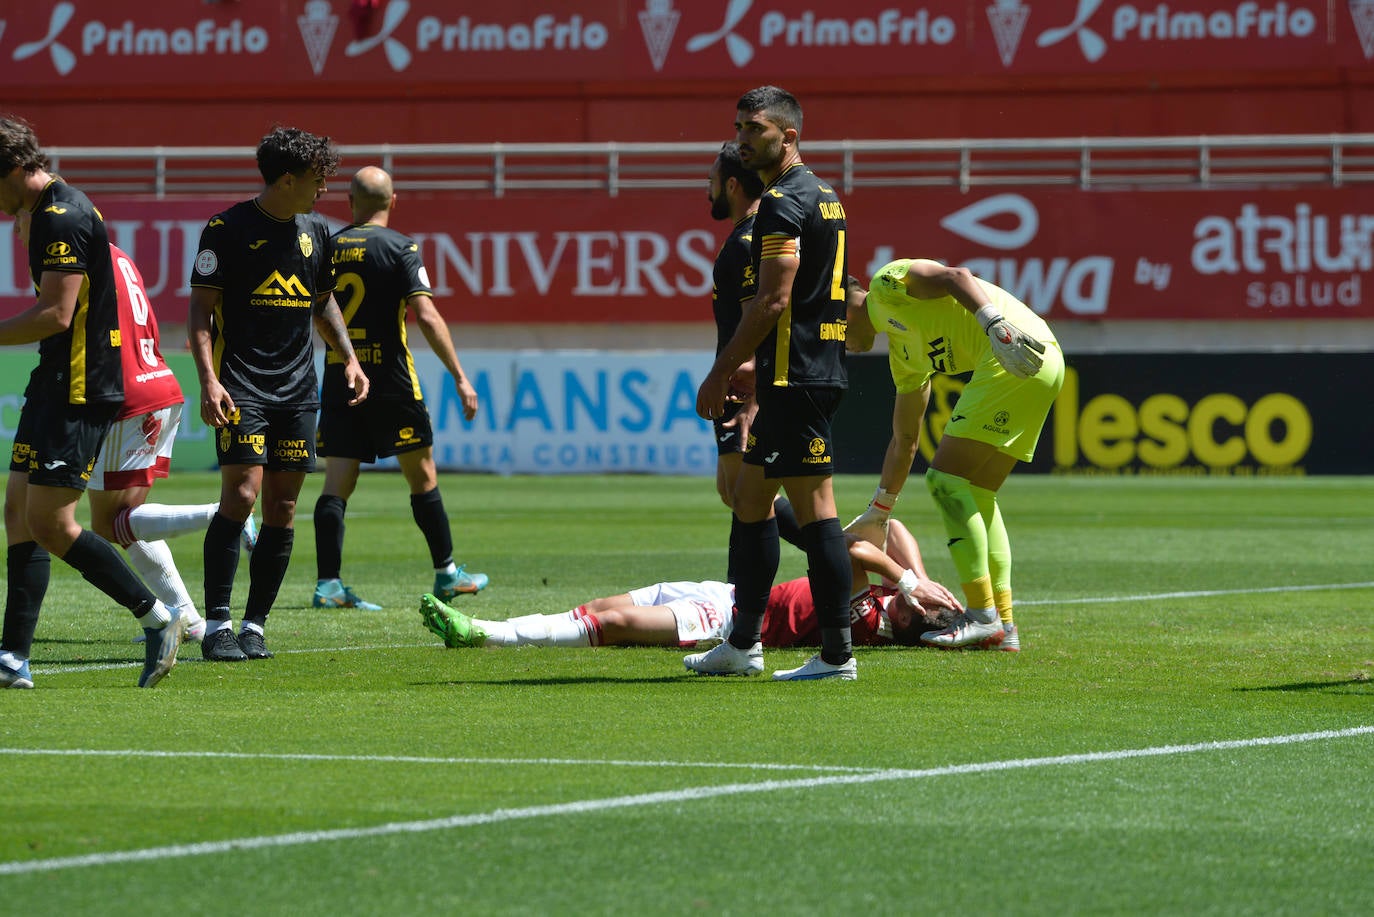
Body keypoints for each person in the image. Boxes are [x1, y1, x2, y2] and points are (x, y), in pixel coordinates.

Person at [12, 207, 258, 645]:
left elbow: (65, 323)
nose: (18, 227)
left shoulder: (71, 261)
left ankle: (228, 517)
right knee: (124, 523)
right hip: (158, 384)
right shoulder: (118, 256)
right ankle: (191, 620)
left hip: (120, 394)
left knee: (107, 525)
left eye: (23, 219)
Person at [0, 115, 181, 689]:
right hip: (56, 378)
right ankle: (13, 658)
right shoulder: (54, 209)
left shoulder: (61, 215)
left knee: (52, 524)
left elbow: (57, 313)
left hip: (78, 388)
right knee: (18, 514)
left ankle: (155, 617)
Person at [188, 125, 369, 663]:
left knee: (283, 507)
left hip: (298, 391)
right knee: (240, 495)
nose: (324, 191)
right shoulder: (226, 229)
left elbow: (323, 301)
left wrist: (350, 358)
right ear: (286, 179)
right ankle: (217, 623)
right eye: (317, 181)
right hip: (241, 384)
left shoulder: (318, 231)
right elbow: (199, 311)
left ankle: (254, 625)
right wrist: (207, 378)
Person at [691, 86, 855, 681]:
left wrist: (722, 372)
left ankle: (837, 654)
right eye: (738, 126)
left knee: (815, 510)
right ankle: (743, 642)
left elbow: (773, 301)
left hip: (793, 375)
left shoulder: (785, 202)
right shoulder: (826, 197)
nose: (742, 138)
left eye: (753, 129)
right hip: (807, 370)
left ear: (788, 136)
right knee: (751, 501)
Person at [845, 258, 1064, 652]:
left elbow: (955, 277)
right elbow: (905, 438)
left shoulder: (885, 284)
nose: (834, 343)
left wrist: (994, 323)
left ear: (841, 309)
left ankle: (981, 616)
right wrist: (880, 509)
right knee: (978, 493)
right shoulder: (903, 355)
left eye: (827, 331)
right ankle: (1004, 625)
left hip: (1015, 348)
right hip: (1039, 360)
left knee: (944, 480)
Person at [312, 166, 487, 612]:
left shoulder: (329, 247)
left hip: (341, 375)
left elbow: (314, 311)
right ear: (393, 201)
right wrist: (460, 376)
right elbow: (425, 316)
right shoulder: (401, 246)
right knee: (422, 475)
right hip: (390, 379)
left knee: (336, 482)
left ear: (350, 203)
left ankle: (328, 584)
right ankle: (448, 574)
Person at [419, 519, 962, 654]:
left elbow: (857, 548)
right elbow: (888, 528)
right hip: (722, 591)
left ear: (915, 621)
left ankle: (484, 633)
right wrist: (923, 579)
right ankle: (504, 630)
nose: (917, 600)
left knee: (613, 625)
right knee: (596, 606)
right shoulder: (885, 594)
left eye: (921, 606)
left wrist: (911, 581)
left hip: (727, 622)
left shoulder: (867, 616)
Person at [705, 141, 809, 580]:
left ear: (730, 184)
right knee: (734, 490)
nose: (706, 190)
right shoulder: (748, 238)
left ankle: (851, 552)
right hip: (741, 381)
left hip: (746, 384)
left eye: (710, 181)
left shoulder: (747, 242)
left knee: (750, 496)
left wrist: (749, 390)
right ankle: (741, 605)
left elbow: (766, 314)